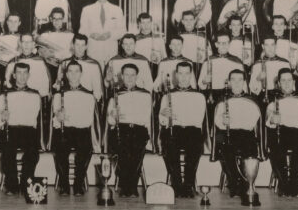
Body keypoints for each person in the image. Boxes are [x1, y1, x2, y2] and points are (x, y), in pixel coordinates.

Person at [211, 69, 264, 205]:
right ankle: (236, 183)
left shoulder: (251, 100)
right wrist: (223, 121)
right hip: (228, 134)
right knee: (227, 148)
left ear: (244, 82)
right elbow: (216, 122)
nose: (236, 83)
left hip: (246, 134)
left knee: (249, 148)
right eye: (233, 80)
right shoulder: (222, 100)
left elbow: (252, 122)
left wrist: (234, 121)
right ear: (228, 82)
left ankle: (246, 184)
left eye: (240, 80)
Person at [50, 61, 100, 196]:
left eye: (76, 71)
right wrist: (58, 118)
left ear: (81, 74)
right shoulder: (59, 94)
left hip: (81, 130)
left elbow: (89, 120)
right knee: (59, 147)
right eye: (70, 71)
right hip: (64, 130)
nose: (73, 75)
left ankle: (78, 184)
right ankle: (64, 184)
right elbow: (55, 120)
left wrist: (74, 118)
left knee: (85, 148)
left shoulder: (89, 95)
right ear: (66, 74)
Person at [265, 69, 298, 197]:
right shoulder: (273, 101)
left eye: (289, 80)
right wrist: (272, 119)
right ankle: (283, 184)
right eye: (283, 80)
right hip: (280, 132)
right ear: (278, 83)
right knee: (276, 148)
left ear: (294, 82)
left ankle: (294, 185)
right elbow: (267, 120)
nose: (287, 83)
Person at [158, 62, 207, 197]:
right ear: (176, 75)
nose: (184, 77)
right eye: (180, 73)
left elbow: (198, 120)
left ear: (191, 75)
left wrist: (179, 117)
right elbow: (162, 122)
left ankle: (189, 185)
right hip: (174, 130)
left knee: (195, 144)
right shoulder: (167, 95)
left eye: (187, 73)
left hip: (192, 130)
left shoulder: (199, 96)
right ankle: (177, 185)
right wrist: (164, 114)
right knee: (169, 144)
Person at [0, 62, 42, 195]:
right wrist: (2, 117)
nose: (22, 76)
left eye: (25, 73)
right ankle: (12, 185)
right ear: (14, 75)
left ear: (29, 75)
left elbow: (37, 121)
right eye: (19, 73)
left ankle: (27, 184)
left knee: (32, 153)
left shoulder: (35, 95)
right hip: (11, 130)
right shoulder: (5, 95)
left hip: (29, 131)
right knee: (8, 151)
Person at [106, 64, 152, 197]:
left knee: (135, 151)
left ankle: (130, 185)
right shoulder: (115, 94)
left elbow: (146, 117)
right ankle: (127, 185)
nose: (130, 78)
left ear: (137, 76)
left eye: (132, 75)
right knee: (123, 150)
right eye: (126, 74)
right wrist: (113, 117)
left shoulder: (145, 94)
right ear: (122, 76)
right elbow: (110, 122)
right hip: (121, 129)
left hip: (139, 130)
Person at [79, 0, 126, 69]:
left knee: (110, 77)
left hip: (111, 50)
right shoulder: (87, 10)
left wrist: (110, 35)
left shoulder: (117, 10)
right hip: (93, 50)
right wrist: (91, 34)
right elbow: (82, 30)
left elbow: (122, 31)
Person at [198, 31, 246, 103]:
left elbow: (244, 85)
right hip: (213, 96)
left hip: (232, 95)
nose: (224, 46)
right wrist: (204, 81)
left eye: (226, 43)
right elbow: (200, 85)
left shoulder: (237, 62)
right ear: (216, 44)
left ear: (229, 43)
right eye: (221, 43)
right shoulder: (208, 61)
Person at [55, 34, 104, 102]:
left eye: (82, 45)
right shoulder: (64, 63)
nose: (79, 48)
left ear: (86, 47)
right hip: (68, 99)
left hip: (86, 100)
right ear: (73, 45)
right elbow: (58, 85)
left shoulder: (94, 64)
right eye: (77, 45)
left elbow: (97, 90)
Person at [248, 35, 290, 104]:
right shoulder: (257, 64)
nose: (270, 48)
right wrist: (258, 79)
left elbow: (291, 85)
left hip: (281, 96)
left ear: (276, 46)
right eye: (267, 45)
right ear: (263, 46)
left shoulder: (284, 63)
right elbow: (253, 89)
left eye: (272, 45)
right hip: (264, 97)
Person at [37, 7, 74, 81]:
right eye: (54, 18)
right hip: (50, 67)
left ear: (63, 19)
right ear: (51, 19)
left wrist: (55, 55)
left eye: (59, 19)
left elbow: (71, 52)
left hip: (65, 67)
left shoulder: (69, 35)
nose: (57, 21)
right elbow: (41, 52)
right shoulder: (45, 35)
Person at [179, 10, 212, 77]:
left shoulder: (202, 36)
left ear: (195, 21)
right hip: (183, 68)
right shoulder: (179, 36)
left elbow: (209, 56)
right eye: (186, 20)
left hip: (198, 67)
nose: (189, 22)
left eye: (191, 20)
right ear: (182, 21)